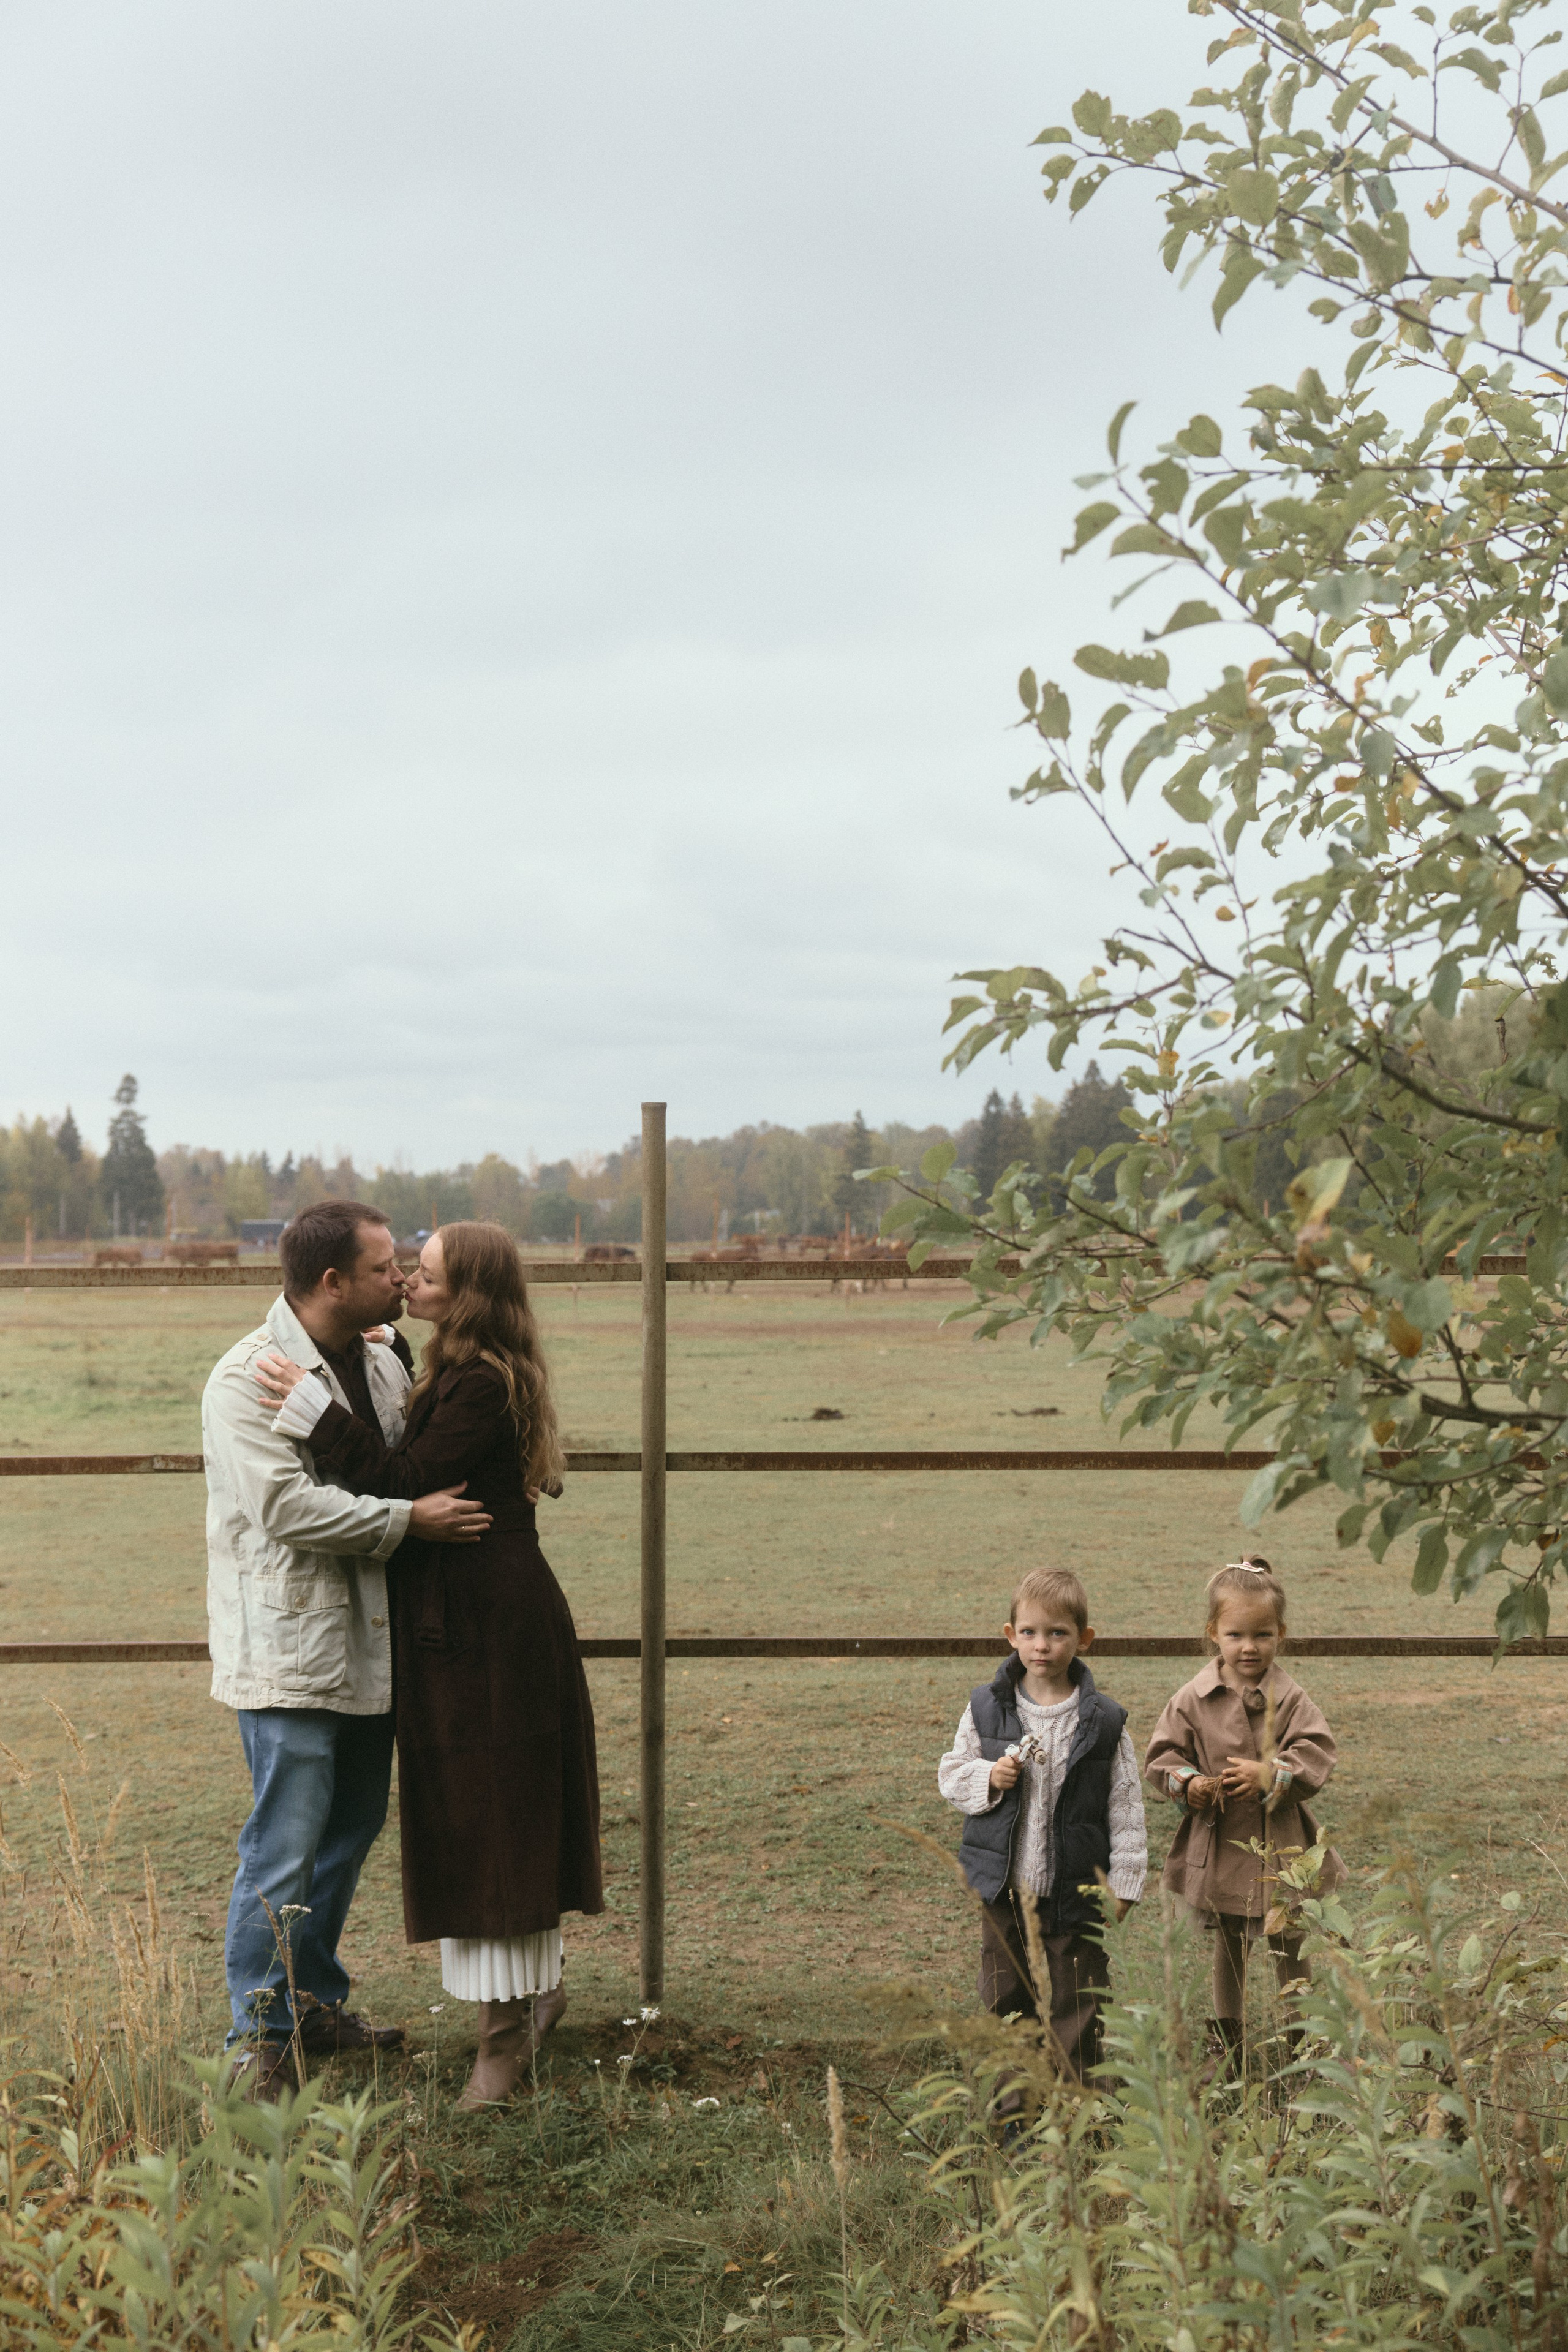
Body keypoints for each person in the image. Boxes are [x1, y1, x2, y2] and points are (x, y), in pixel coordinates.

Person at [253, 1219, 604, 2113]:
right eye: (404, 1269)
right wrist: (395, 1351)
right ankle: (527, 2001)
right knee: (476, 1808)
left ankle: (504, 2034)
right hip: (466, 1617)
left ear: (471, 1294)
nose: (409, 1281)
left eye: (429, 1275)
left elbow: (400, 1478)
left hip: (489, 1624)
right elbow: (426, 1453)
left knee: (488, 1811)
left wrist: (311, 1406)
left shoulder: (483, 1383)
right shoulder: (459, 1368)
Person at [203, 1199, 491, 2098]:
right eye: (385, 1268)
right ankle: (257, 2039)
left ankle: (310, 2005)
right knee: (284, 1844)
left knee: (349, 1834)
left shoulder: (379, 1357)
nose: (402, 1279)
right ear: (335, 1282)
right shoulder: (243, 1378)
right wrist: (411, 1522)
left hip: (374, 1645)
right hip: (289, 1650)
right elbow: (285, 1509)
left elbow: (398, 1456)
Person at [938, 1568, 1146, 2086]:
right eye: (1029, 1632)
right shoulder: (987, 1709)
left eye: (1058, 1634)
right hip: (1004, 1890)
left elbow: (1125, 1805)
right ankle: (1016, 2112)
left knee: (1081, 2003)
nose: (1043, 1646)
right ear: (1011, 1635)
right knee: (1007, 2002)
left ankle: (1084, 2109)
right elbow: (951, 1775)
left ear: (1084, 1640)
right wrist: (991, 1774)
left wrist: (1123, 1884)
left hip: (1075, 1889)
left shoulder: (1103, 1722)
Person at [1143, 1557, 1346, 2074]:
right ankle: (1225, 2045)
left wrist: (1273, 1773)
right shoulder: (1192, 1698)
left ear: (1281, 1634)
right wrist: (1189, 1784)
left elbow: (1317, 1753)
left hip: (1282, 1844)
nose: (1249, 1647)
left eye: (1262, 1635)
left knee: (1288, 1938)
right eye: (1236, 1634)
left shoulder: (1292, 1696)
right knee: (1229, 1944)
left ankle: (1302, 2043)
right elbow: (1162, 1759)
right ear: (1214, 1634)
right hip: (1220, 1843)